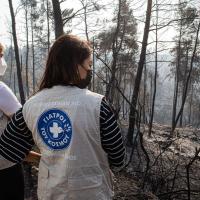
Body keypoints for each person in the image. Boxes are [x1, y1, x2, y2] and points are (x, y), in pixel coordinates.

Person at [0, 35, 125, 200]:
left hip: (51, 192)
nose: (90, 70)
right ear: (75, 65)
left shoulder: (30, 106)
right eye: (89, 64)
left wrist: (52, 156)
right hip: (92, 192)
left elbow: (8, 150)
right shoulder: (97, 105)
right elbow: (118, 158)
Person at [0, 42, 40, 200]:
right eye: (0, 56)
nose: (2, 60)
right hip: (5, 168)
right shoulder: (1, 90)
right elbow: (24, 122)